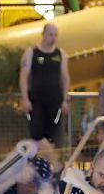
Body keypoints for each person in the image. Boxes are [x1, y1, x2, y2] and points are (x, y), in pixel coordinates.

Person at [20, 23, 70, 158]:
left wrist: (65, 99)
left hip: (55, 100)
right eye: (50, 34)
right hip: (35, 100)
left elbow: (65, 77)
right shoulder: (32, 52)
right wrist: (25, 98)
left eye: (55, 35)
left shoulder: (60, 54)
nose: (53, 38)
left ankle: (46, 165)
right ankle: (55, 164)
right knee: (36, 133)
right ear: (43, 34)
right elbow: (24, 76)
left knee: (50, 135)